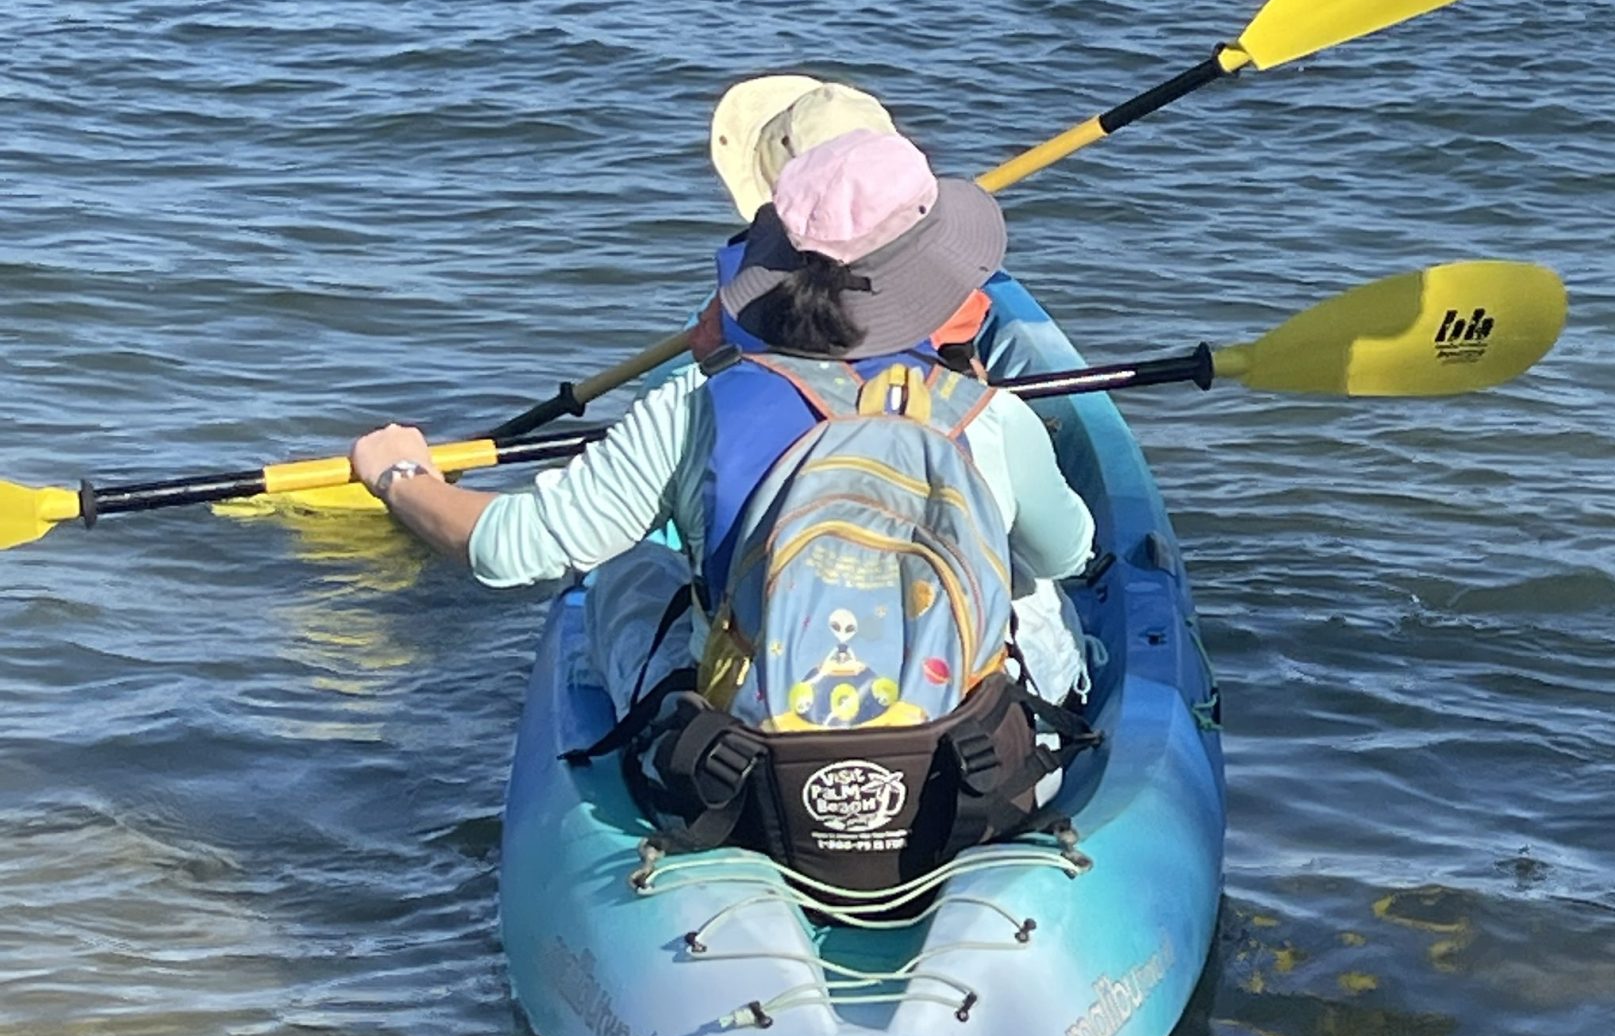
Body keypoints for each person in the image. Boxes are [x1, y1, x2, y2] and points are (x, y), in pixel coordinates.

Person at [349, 128, 1096, 718]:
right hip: (963, 750)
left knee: (627, 566)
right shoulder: (990, 416)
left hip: (759, 752)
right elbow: (1068, 552)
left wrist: (400, 474)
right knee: (1026, 581)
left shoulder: (694, 407)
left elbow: (512, 549)